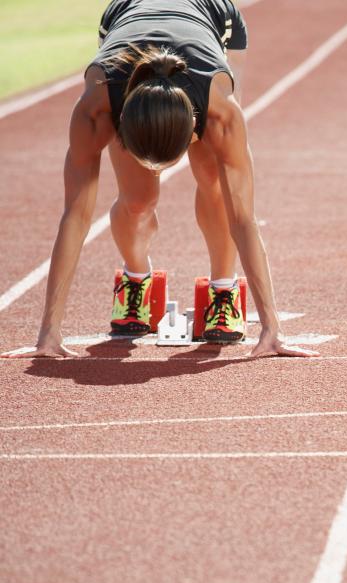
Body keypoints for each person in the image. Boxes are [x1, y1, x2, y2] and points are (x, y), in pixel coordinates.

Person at [3, 0, 312, 359]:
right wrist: (48, 333)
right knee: (137, 200)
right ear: (121, 125)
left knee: (214, 177)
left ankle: (223, 290)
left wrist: (272, 328)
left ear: (193, 128)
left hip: (213, 17)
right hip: (125, 15)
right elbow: (76, 215)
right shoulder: (97, 105)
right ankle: (136, 280)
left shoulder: (220, 113)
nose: (157, 171)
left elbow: (243, 217)